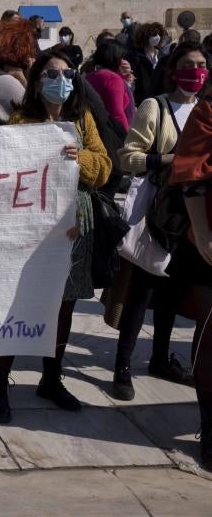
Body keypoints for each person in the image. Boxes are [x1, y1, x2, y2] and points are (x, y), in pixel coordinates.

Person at [0, 50, 112, 424]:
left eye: (66, 72)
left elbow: (104, 166)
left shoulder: (82, 118)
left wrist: (81, 160)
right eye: (50, 73)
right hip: (31, 227)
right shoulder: (20, 121)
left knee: (65, 304)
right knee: (18, 303)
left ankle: (52, 378)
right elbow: (5, 172)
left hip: (75, 223)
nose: (59, 79)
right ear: (37, 80)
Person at [111, 43, 209, 401]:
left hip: (194, 220)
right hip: (162, 216)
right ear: (172, 69)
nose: (195, 71)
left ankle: (160, 358)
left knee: (173, 292)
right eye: (187, 65)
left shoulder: (206, 109)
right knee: (143, 292)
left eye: (201, 65)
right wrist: (171, 160)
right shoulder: (156, 106)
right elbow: (128, 157)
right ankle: (122, 366)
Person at [167, 56, 212, 469]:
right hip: (210, 239)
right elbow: (192, 176)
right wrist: (203, 234)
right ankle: (210, 424)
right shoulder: (209, 109)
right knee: (211, 328)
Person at [85, 40, 134, 131]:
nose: (123, 61)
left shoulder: (91, 75)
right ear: (114, 58)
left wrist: (124, 77)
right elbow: (117, 114)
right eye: (121, 58)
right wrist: (125, 137)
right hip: (113, 134)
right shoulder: (113, 79)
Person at [131, 22, 168, 105]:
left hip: (161, 97)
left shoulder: (163, 56)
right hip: (142, 98)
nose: (156, 37)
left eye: (157, 34)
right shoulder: (136, 56)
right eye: (152, 35)